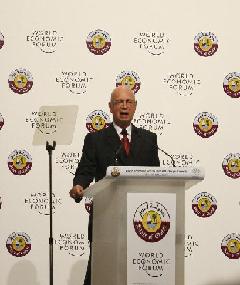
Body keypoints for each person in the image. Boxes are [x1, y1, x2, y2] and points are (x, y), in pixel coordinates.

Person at [69, 85, 160, 285]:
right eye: (119, 102)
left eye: (129, 102)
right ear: (110, 107)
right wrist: (78, 186)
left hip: (142, 220)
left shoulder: (149, 139)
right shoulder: (95, 139)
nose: (124, 106)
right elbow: (85, 171)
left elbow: (157, 179)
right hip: (106, 217)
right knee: (101, 274)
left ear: (135, 106)